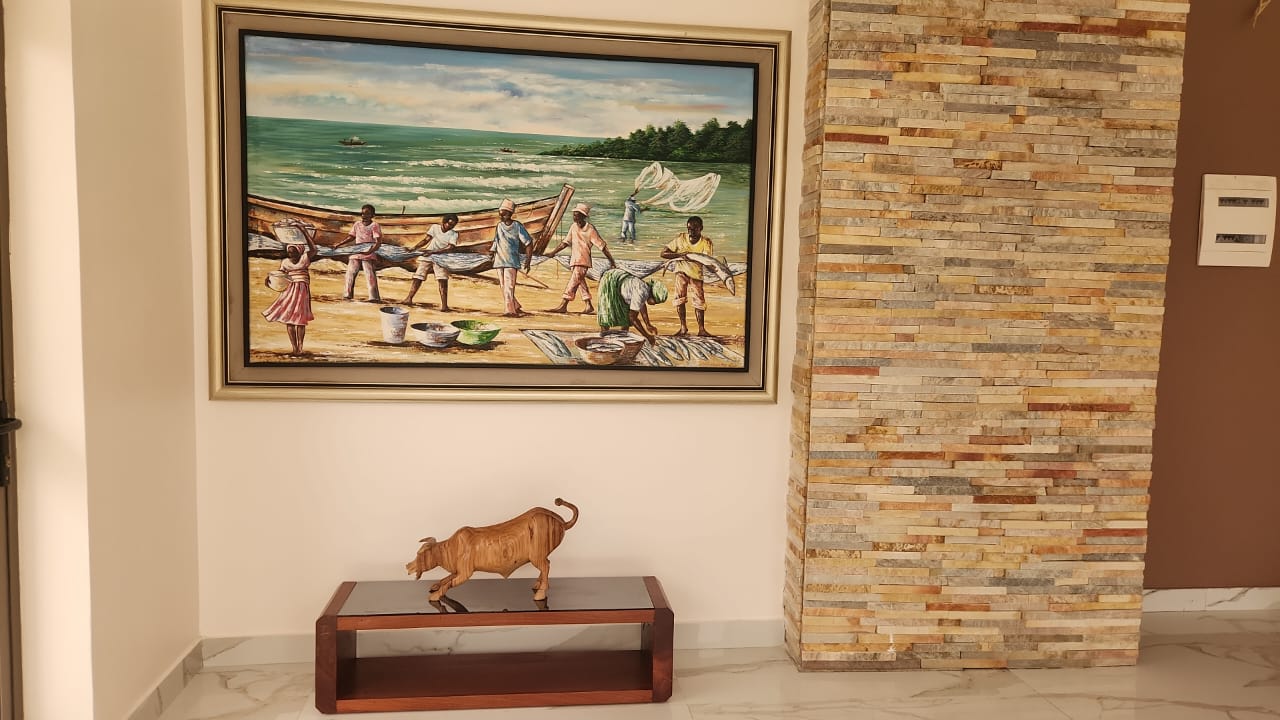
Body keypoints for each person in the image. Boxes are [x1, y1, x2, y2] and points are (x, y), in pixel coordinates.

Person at [261, 220, 320, 356]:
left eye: (293, 252)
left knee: (300, 320)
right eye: (289, 252)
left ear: (299, 251)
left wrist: (304, 231)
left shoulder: (305, 258)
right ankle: (294, 348)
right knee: (290, 319)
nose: (291, 254)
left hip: (302, 291)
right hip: (289, 291)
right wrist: (269, 279)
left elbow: (314, 249)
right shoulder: (285, 262)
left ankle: (300, 348)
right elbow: (280, 275)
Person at [545, 202, 616, 315]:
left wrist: (612, 261)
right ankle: (589, 305)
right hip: (574, 260)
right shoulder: (573, 227)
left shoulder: (590, 229)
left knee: (573, 283)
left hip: (583, 261)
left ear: (583, 216)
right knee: (580, 282)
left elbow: (602, 246)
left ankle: (563, 305)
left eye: (576, 214)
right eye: (574, 214)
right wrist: (553, 252)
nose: (574, 216)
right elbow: (565, 242)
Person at [659, 215, 714, 337]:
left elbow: (707, 260)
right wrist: (680, 255)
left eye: (695, 229)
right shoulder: (680, 239)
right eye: (689, 229)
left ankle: (701, 330)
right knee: (679, 300)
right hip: (681, 272)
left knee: (699, 301)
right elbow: (663, 253)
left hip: (696, 275)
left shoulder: (706, 242)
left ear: (701, 228)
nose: (691, 231)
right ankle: (683, 328)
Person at [402, 213, 459, 310]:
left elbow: (450, 247)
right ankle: (409, 298)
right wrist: (414, 248)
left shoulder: (454, 234)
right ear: (444, 222)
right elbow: (426, 240)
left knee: (442, 280)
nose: (451, 227)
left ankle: (444, 305)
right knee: (418, 277)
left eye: (453, 225)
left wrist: (433, 252)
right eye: (449, 224)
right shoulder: (435, 227)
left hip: (441, 257)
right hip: (428, 255)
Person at [596, 268, 667, 344]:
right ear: (653, 294)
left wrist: (648, 324)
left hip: (621, 283)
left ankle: (623, 340)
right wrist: (647, 336)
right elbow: (633, 318)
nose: (654, 304)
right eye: (655, 301)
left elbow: (641, 304)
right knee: (607, 317)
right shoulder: (641, 291)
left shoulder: (645, 289)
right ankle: (604, 341)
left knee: (626, 321)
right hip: (610, 282)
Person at [489, 198, 534, 317]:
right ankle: (515, 306)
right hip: (499, 260)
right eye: (500, 214)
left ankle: (510, 311)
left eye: (504, 214)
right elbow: (496, 240)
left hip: (511, 261)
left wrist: (528, 260)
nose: (501, 217)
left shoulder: (517, 226)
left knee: (509, 287)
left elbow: (528, 243)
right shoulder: (499, 226)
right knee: (503, 286)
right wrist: (492, 252)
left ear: (510, 214)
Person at [334, 203, 383, 302]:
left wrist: (370, 251)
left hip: (368, 252)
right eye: (363, 213)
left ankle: (374, 297)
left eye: (367, 214)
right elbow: (351, 237)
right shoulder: (357, 224)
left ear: (372, 215)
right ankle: (347, 294)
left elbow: (378, 242)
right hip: (357, 251)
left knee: (370, 275)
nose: (364, 216)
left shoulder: (374, 225)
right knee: (350, 273)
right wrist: (339, 244)